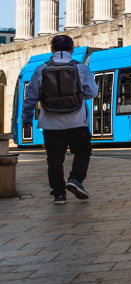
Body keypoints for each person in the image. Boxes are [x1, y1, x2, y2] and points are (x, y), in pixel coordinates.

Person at [21, 34, 98, 205]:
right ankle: (76, 179)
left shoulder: (41, 69)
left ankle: (59, 195)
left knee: (55, 160)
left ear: (52, 49)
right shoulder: (80, 68)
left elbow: (30, 98)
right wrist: (78, 96)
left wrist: (26, 120)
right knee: (83, 151)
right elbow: (92, 93)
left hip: (51, 123)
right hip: (77, 122)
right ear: (72, 49)